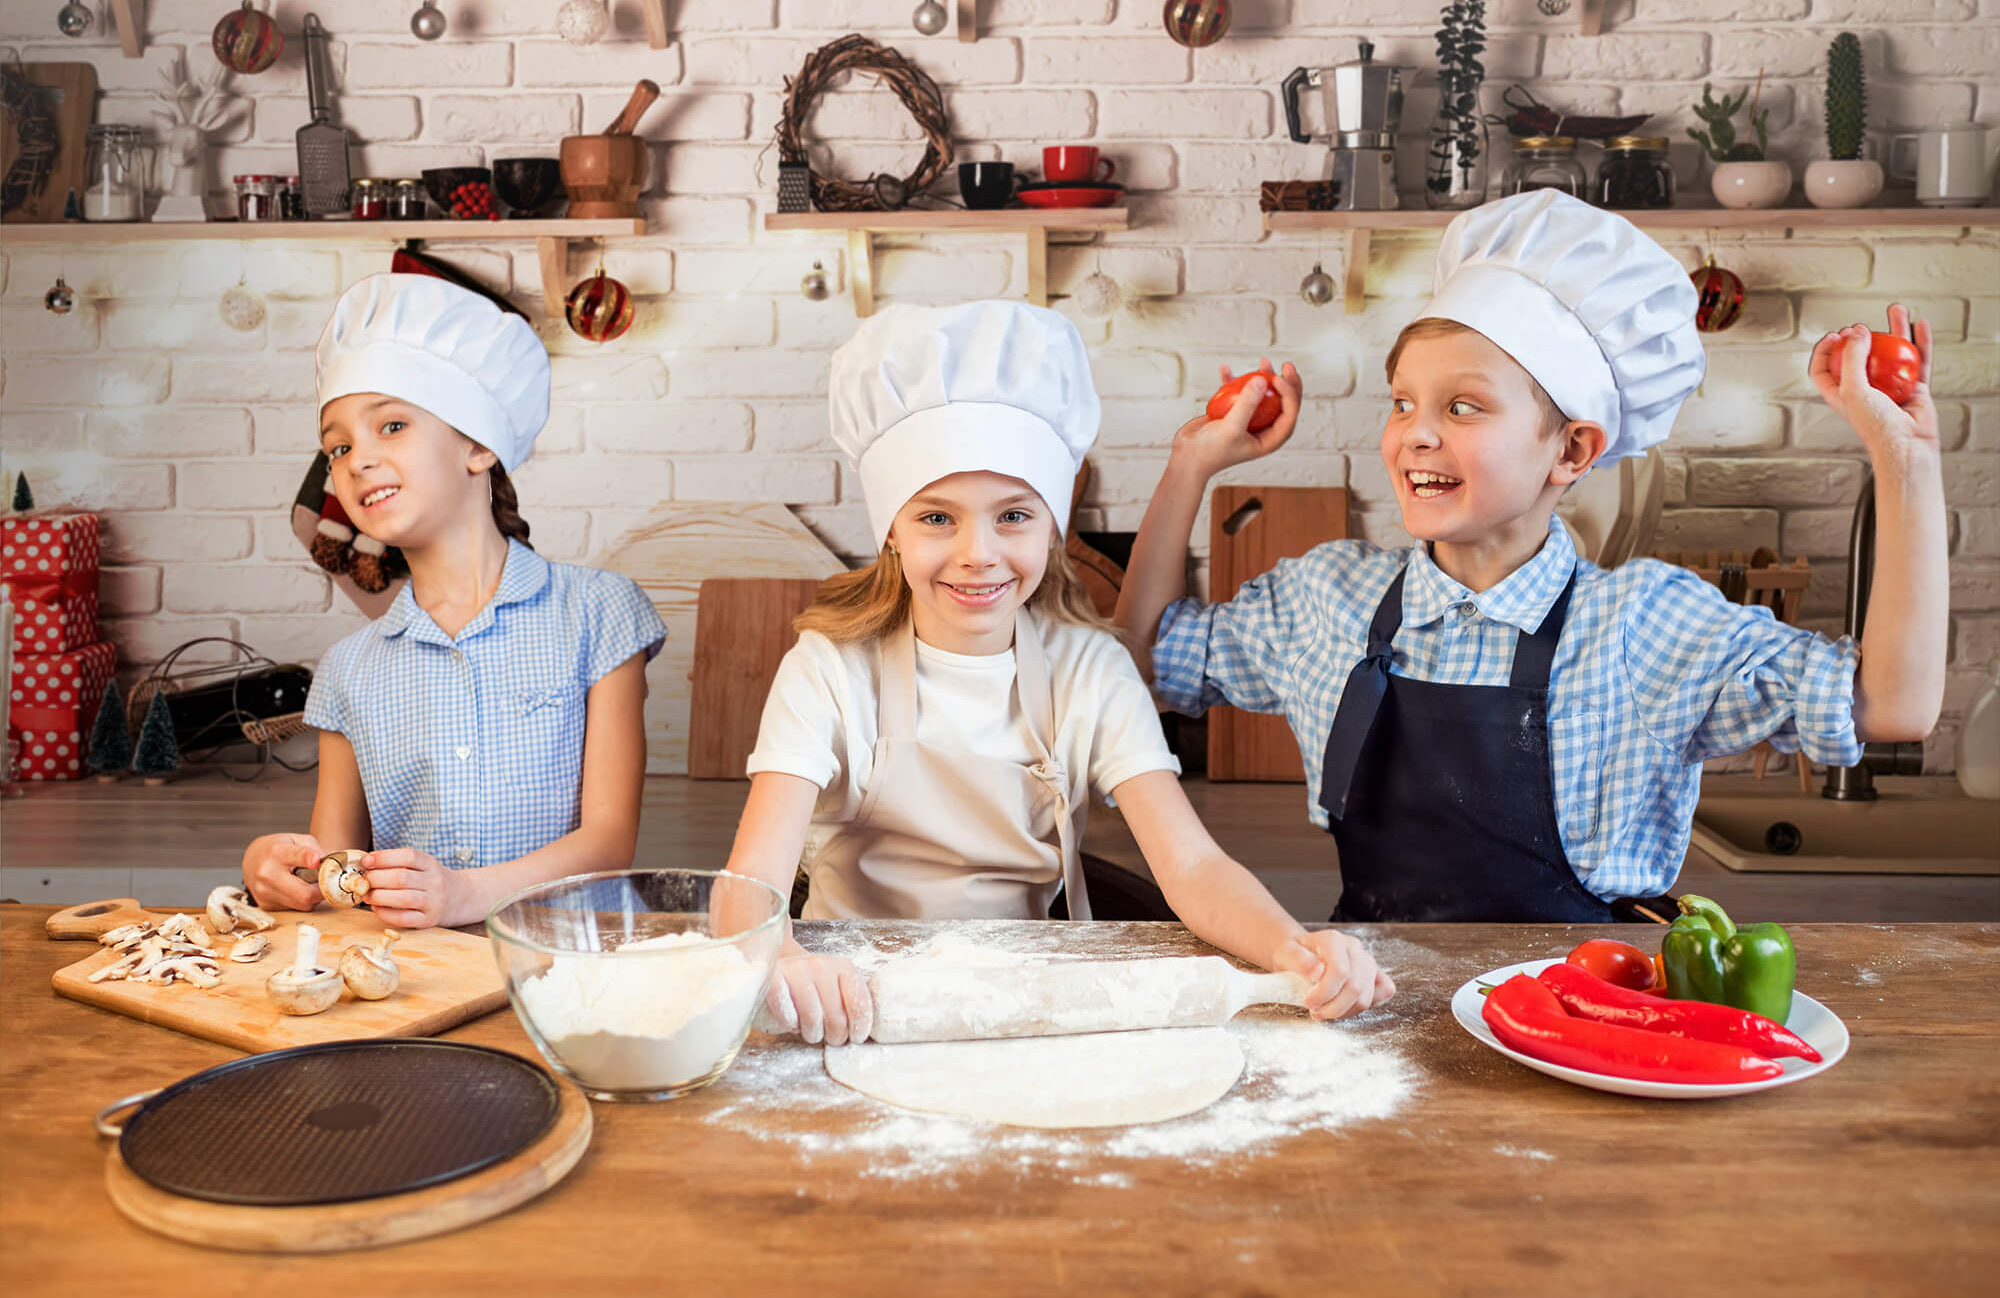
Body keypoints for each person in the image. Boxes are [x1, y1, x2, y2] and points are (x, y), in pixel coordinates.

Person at [1117, 189, 1948, 923]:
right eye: (1403, 400)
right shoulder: (1327, 602)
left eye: (1464, 404)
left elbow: (1893, 705)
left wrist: (1904, 461)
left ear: (1573, 451)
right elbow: (1145, 660)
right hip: (1381, 1000)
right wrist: (1194, 458)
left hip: (1586, 1017)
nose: (1417, 431)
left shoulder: (1643, 627)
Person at [723, 300, 1395, 1043]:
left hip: (1018, 1004)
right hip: (847, 1006)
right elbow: (746, 886)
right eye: (937, 517)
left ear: (1053, 527)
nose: (979, 552)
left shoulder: (1090, 668)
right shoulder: (829, 668)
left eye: (1013, 515)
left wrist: (1295, 950)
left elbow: (1193, 865)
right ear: (891, 533)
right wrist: (777, 954)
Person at [241, 274, 666, 928]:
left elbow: (609, 841)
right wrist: (283, 871)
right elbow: (341, 868)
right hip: (420, 976)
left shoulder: (598, 613)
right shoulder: (348, 667)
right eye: (340, 445)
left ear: (478, 444)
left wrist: (466, 894)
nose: (357, 461)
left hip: (581, 972)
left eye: (392, 424)